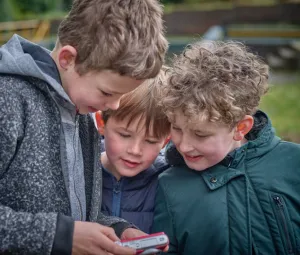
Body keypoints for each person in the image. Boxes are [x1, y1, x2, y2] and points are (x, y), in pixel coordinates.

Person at [0, 0, 168, 254]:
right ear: (68, 58)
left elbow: (78, 214)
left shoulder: (83, 113)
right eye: (107, 92)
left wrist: (119, 229)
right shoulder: (8, 100)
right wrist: (59, 236)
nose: (113, 105)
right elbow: (65, 230)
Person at [152, 41, 300, 254]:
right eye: (176, 128)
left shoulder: (293, 165)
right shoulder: (169, 184)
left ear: (240, 127)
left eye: (200, 134)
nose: (183, 145)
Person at [94, 71, 170, 234]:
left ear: (166, 140)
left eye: (150, 141)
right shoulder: (80, 170)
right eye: (124, 135)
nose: (135, 151)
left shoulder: (167, 181)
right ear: (101, 123)